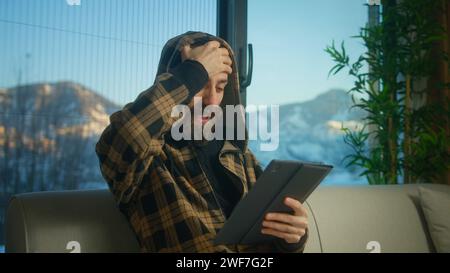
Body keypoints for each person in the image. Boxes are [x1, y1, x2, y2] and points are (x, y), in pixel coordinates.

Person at [95, 31, 309, 253]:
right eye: (199, 84)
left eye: (219, 87)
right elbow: (125, 136)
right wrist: (191, 72)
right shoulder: (149, 161)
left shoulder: (240, 157)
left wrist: (290, 240)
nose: (212, 101)